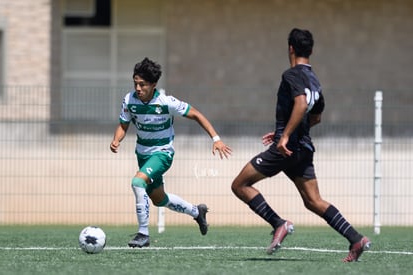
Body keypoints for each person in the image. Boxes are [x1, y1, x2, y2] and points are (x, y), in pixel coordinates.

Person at [231, 28, 371, 262]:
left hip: (286, 148)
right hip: (304, 149)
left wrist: (284, 136)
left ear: (291, 49)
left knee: (240, 185)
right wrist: (287, 129)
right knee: (313, 201)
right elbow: (316, 117)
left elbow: (300, 104)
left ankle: (279, 223)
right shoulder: (314, 80)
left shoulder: (291, 74)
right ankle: (356, 238)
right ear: (311, 51)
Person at [110, 57, 232, 248]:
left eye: (142, 84)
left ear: (153, 84)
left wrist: (216, 139)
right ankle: (196, 212)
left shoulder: (166, 102)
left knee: (137, 182)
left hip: (162, 154)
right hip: (142, 155)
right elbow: (123, 125)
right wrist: (117, 139)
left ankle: (143, 234)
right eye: (135, 84)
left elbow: (196, 115)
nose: (138, 88)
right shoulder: (129, 100)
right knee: (159, 199)